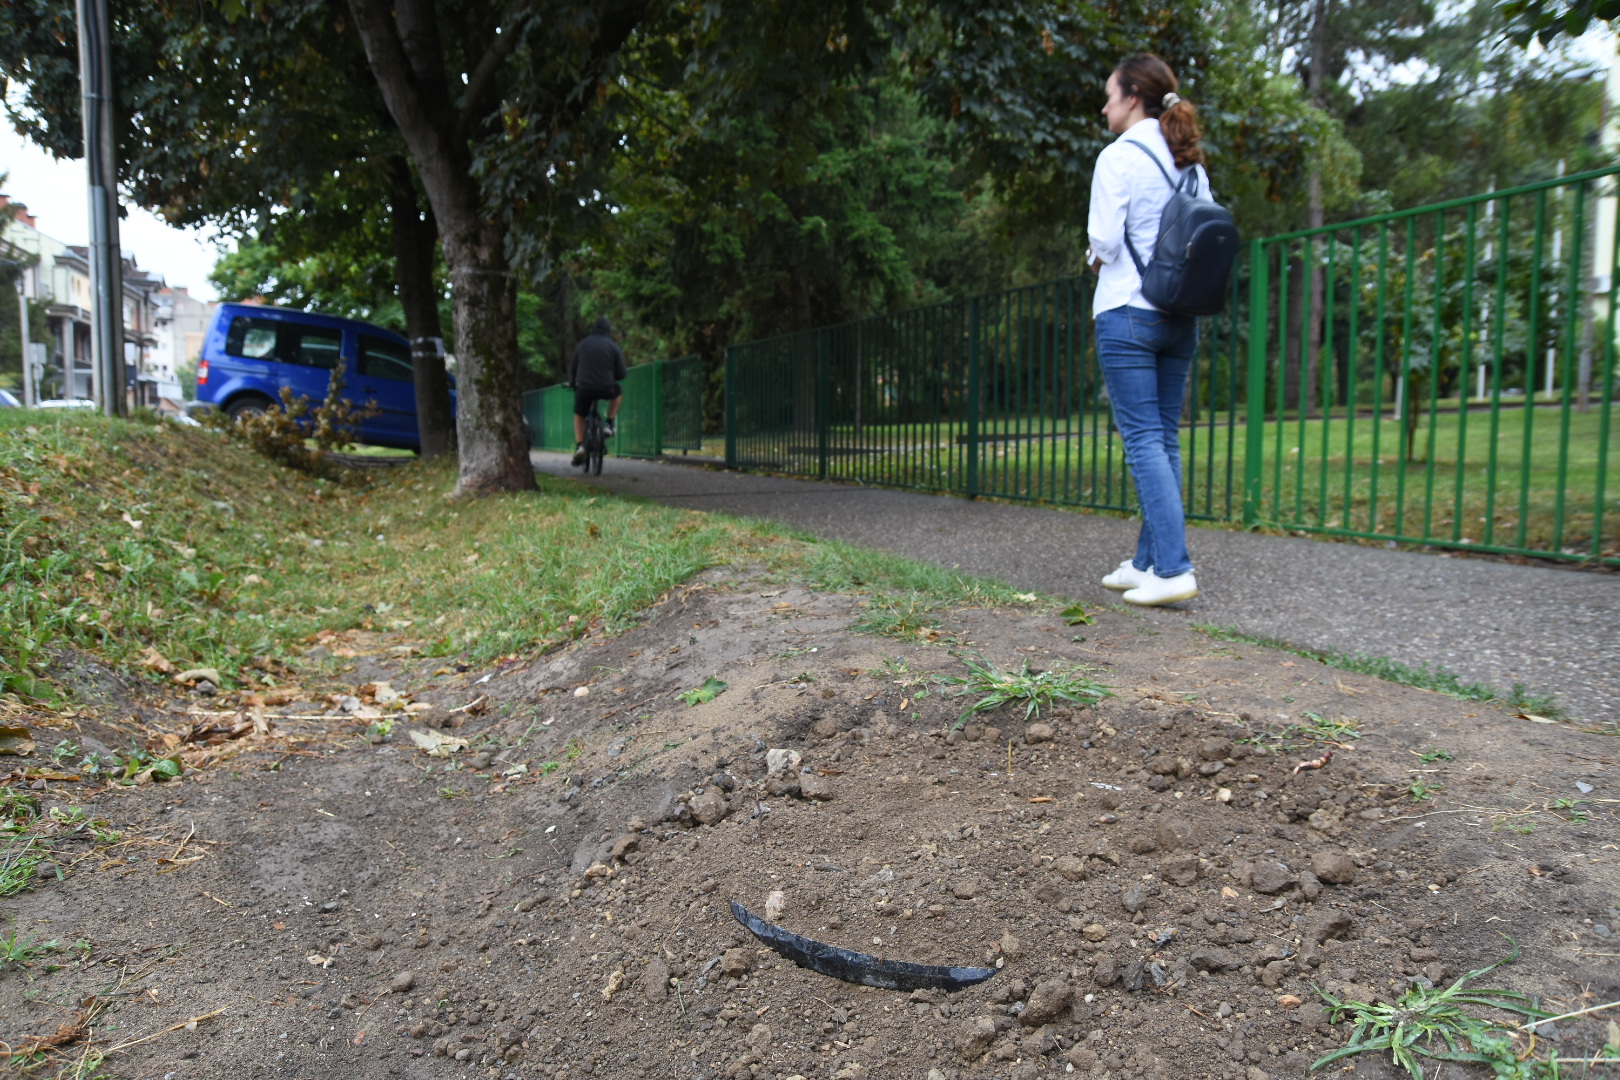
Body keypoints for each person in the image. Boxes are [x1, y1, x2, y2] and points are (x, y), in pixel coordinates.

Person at [1086, 53, 1212, 606]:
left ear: (1133, 95)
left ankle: (1176, 570)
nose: (1105, 104)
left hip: (1128, 313)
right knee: (1162, 441)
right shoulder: (1191, 164)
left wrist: (1091, 256)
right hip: (1179, 317)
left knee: (1142, 442)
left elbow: (1105, 242)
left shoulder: (1118, 158)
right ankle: (1148, 563)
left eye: (1110, 94)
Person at [569, 316, 628, 466]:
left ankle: (580, 446)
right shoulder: (612, 346)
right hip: (606, 387)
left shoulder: (582, 345)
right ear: (608, 331)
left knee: (579, 415)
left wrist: (572, 384)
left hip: (584, 387)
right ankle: (609, 423)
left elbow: (573, 368)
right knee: (618, 392)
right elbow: (622, 373)